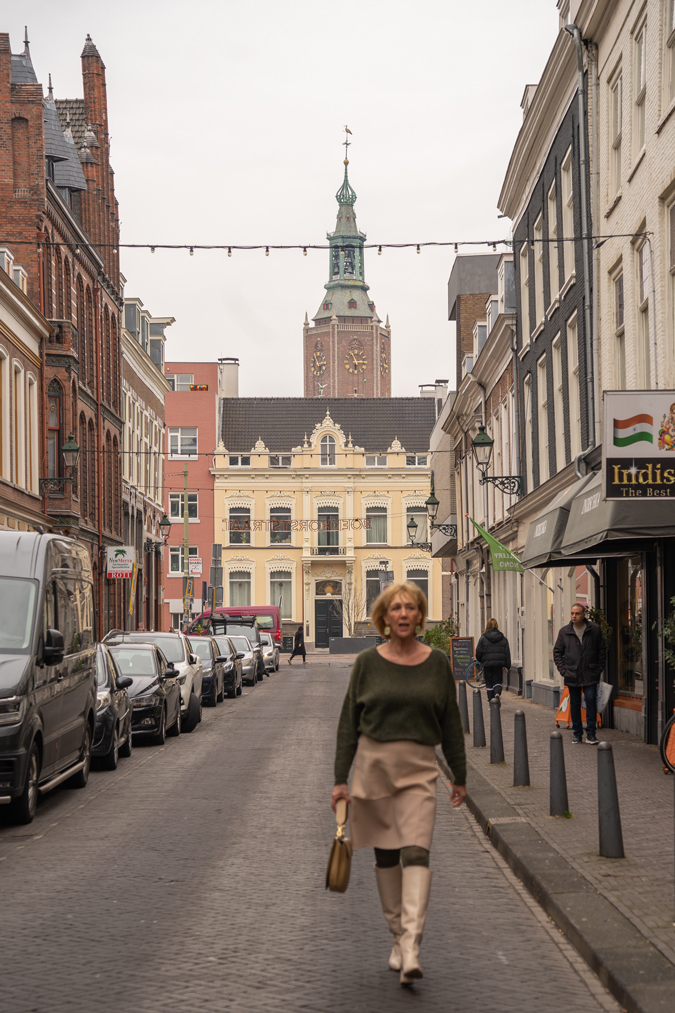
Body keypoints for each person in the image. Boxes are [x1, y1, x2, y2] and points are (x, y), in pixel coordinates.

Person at [332, 582, 466, 987]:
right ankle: (397, 937)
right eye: (396, 608)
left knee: (416, 852)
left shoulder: (437, 662)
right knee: (387, 857)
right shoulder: (367, 665)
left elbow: (451, 724)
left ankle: (411, 945)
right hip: (374, 768)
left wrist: (460, 775)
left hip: (420, 770)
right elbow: (348, 725)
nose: (404, 614)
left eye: (411, 607)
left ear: (420, 614)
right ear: (384, 617)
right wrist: (340, 779)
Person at [553, 603, 606, 745]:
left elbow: (602, 650)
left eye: (577, 613)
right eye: (572, 613)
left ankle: (591, 734)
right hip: (572, 674)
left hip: (590, 673)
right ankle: (577, 734)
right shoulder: (564, 631)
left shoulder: (594, 629)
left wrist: (598, 669)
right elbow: (557, 652)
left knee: (590, 701)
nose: (574, 616)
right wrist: (564, 670)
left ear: (583, 615)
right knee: (575, 704)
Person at [475, 618, 511, 702]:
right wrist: (507, 666)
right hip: (498, 664)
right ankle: (497, 693)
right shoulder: (503, 639)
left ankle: (491, 702)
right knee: (497, 680)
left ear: (487, 625)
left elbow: (478, 652)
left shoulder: (483, 638)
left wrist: (481, 661)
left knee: (489, 683)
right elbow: (507, 653)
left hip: (487, 664)